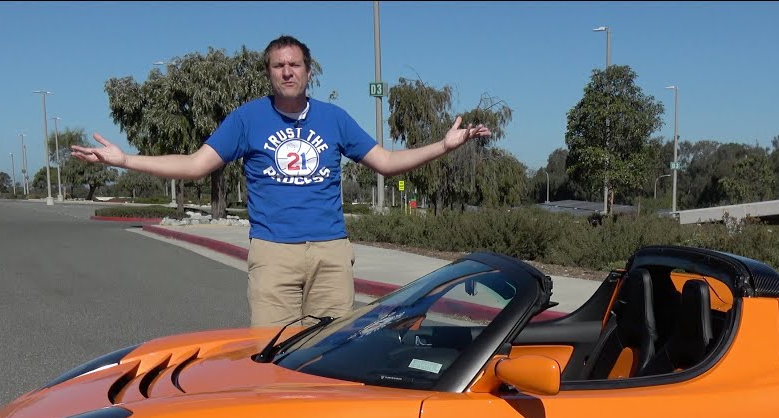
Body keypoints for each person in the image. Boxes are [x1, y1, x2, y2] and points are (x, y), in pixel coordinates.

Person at [71, 35, 491, 327]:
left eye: (295, 65)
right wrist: (124, 159)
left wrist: (445, 145)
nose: (287, 72)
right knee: (272, 359)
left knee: (331, 357)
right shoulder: (247, 119)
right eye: (279, 65)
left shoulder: (334, 119)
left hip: (330, 252)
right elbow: (195, 165)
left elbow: (386, 162)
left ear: (309, 71)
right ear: (269, 73)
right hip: (273, 255)